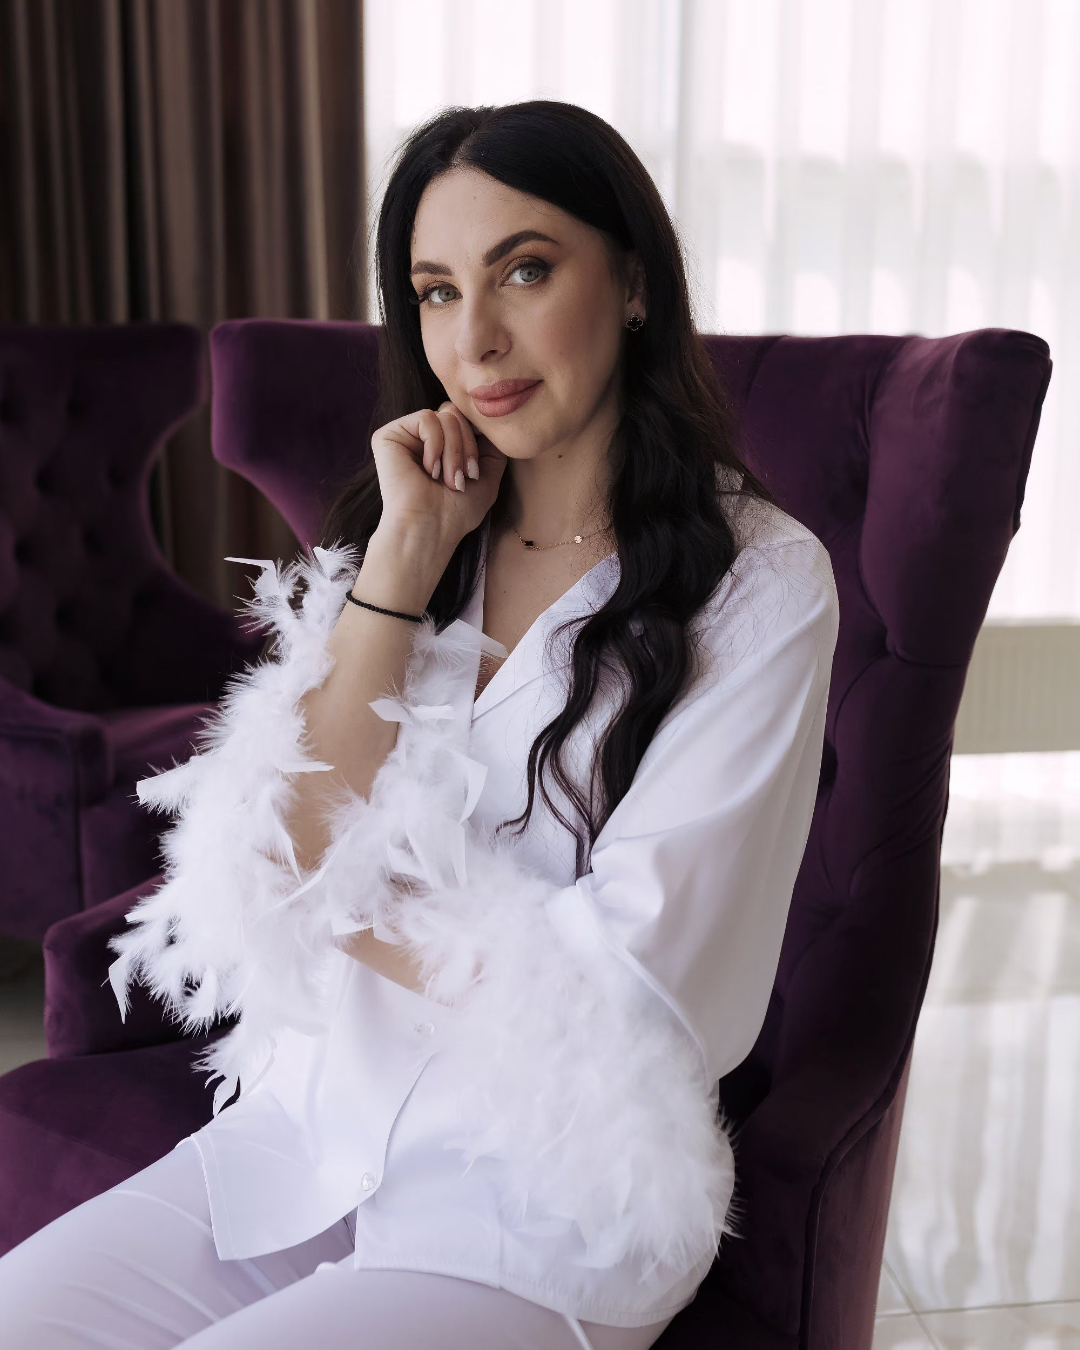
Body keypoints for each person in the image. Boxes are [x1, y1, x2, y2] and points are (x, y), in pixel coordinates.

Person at [0, 100, 839, 1348]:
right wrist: (400, 560)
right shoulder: (405, 545)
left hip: (543, 1208)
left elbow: (626, 988)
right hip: (309, 1134)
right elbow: (280, 823)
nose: (477, 339)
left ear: (636, 283)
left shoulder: (761, 584)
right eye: (436, 293)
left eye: (526, 270)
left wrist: (331, 892)